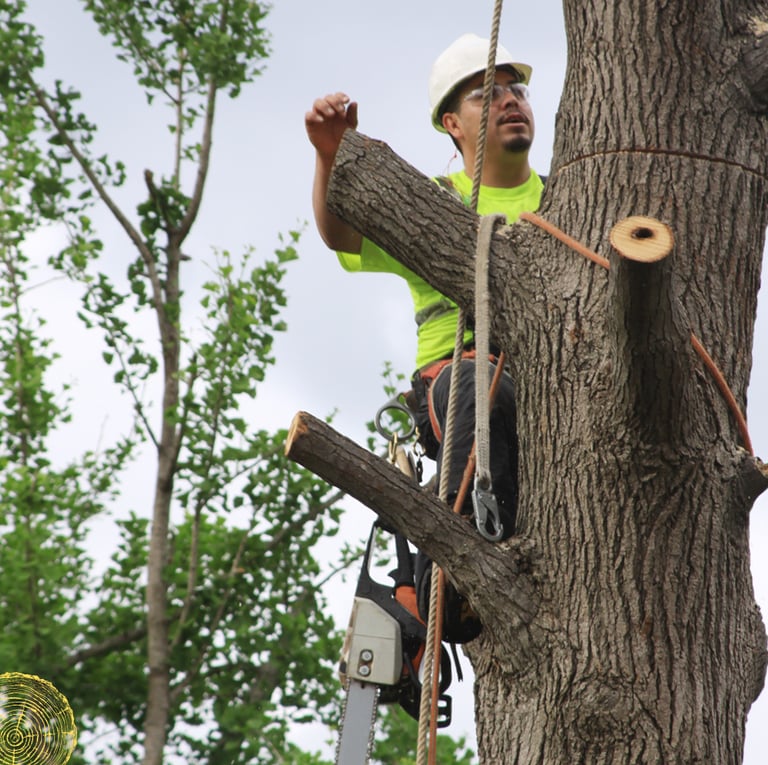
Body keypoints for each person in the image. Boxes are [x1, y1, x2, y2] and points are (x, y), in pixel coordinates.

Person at [305, 33, 545, 630]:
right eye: (489, 95)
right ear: (451, 124)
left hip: (553, 387)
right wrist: (330, 157)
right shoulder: (432, 205)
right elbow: (342, 234)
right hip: (462, 383)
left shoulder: (567, 200)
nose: (512, 100)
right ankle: (461, 560)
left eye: (517, 90)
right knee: (476, 384)